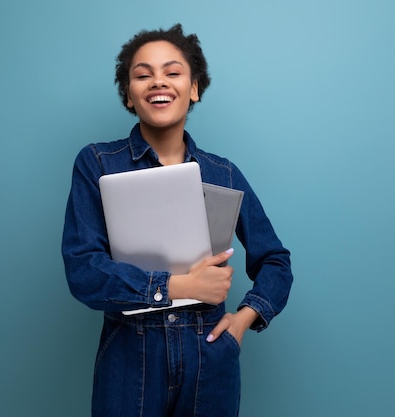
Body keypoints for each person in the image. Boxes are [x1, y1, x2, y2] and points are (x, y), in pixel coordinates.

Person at [62, 23, 293, 417]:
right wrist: (180, 285)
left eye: (172, 72)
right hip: (130, 357)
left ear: (194, 88)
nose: (158, 82)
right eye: (142, 74)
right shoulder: (97, 163)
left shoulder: (224, 173)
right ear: (129, 96)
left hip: (209, 355)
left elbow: (276, 261)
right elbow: (84, 270)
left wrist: (243, 319)